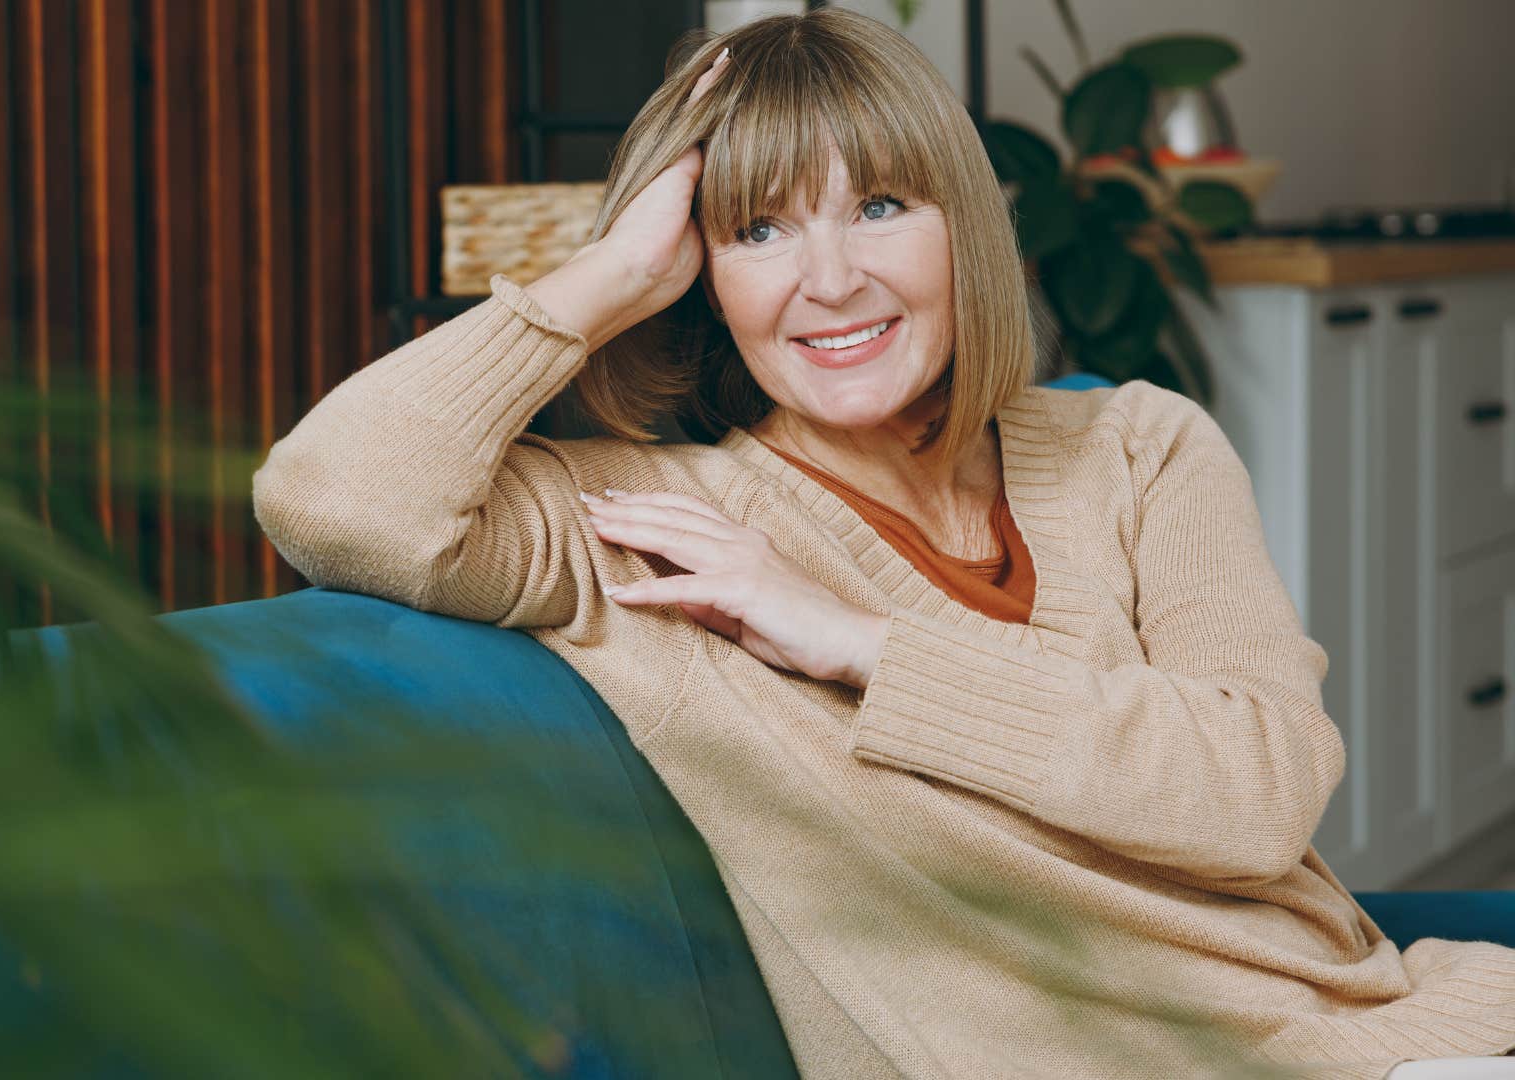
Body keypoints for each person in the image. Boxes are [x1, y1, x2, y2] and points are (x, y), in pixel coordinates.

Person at [252, 9, 1515, 1079]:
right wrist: (604, 276)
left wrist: (867, 645)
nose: (833, 279)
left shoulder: (1138, 447)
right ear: (699, 273)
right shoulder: (652, 536)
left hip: (1397, 1035)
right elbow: (331, 500)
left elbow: (1257, 797)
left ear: (961, 224)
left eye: (882, 205)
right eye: (756, 230)